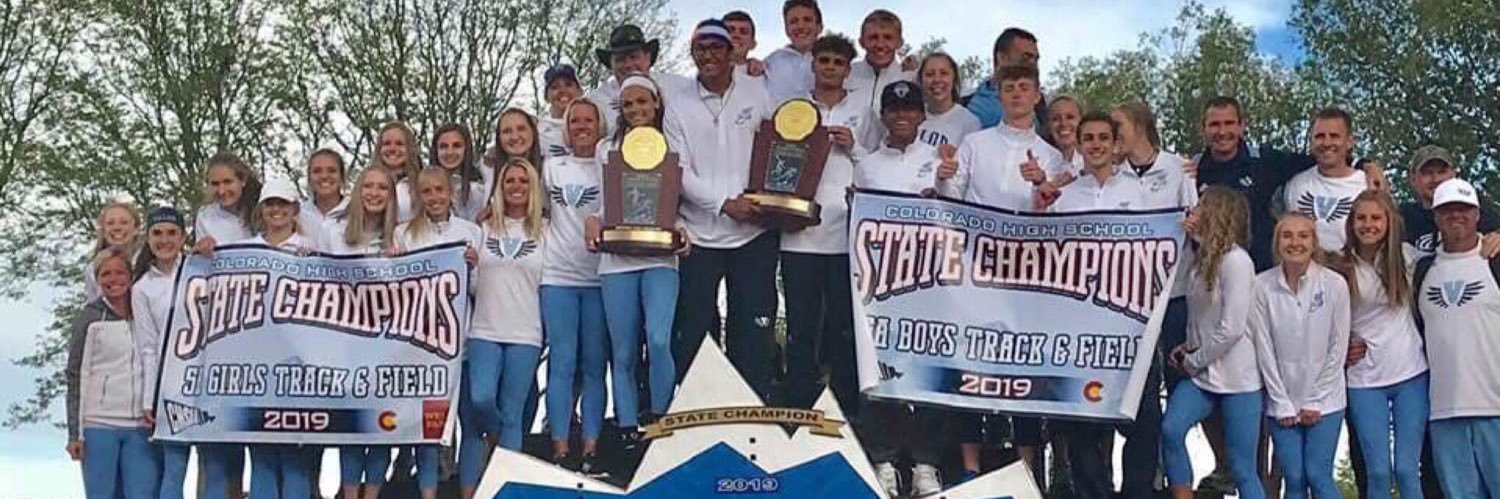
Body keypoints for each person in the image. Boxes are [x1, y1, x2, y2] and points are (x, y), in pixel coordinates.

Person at [662, 18, 779, 399]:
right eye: (701, 49)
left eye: (716, 47)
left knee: (754, 324)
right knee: (695, 325)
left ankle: (753, 404)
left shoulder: (758, 90)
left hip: (754, 231)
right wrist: (723, 203)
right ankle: (700, 404)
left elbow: (779, 145)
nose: (708, 55)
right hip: (701, 232)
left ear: (733, 52)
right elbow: (676, 168)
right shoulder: (678, 103)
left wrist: (764, 200)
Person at [584, 73, 692, 457]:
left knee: (660, 339)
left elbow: (681, 196)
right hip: (617, 259)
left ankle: (661, 418)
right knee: (624, 350)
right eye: (627, 104)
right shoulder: (604, 149)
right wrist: (593, 220)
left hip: (660, 256)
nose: (635, 110)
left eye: (642, 102)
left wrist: (681, 228)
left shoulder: (673, 142)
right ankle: (628, 425)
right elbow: (604, 200)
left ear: (656, 103)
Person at [855, 79, 947, 496]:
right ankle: (885, 460)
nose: (902, 117)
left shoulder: (940, 158)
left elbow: (958, 209)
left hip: (931, 278)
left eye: (909, 110)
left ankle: (926, 463)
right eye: (894, 111)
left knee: (929, 367)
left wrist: (942, 188)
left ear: (921, 116)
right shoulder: (869, 163)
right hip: (882, 282)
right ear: (884, 117)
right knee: (880, 369)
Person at [782, 33, 877, 415]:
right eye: (824, 61)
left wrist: (854, 145)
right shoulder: (793, 108)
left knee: (843, 328)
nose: (831, 68)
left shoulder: (864, 113)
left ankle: (843, 410)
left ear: (847, 68)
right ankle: (799, 408)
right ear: (813, 64)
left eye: (839, 63)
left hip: (845, 235)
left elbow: (876, 167)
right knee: (800, 327)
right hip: (799, 234)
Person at [1161, 186, 1265, 499]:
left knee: (1241, 466)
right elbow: (1200, 319)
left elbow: (1232, 328)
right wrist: (1188, 347)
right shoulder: (1199, 259)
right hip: (1204, 375)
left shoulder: (1236, 261)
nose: (1194, 209)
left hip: (1238, 378)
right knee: (1171, 429)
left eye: (1202, 205)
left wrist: (1194, 360)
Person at [1330, 190, 1429, 499]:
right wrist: (1343, 344)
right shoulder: (1339, 266)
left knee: (1406, 469)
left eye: (1376, 218)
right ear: (1351, 223)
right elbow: (1322, 317)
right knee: (1377, 471)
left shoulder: (1408, 257)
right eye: (1361, 218)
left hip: (1411, 371)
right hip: (1364, 379)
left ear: (1389, 221)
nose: (1368, 225)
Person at [392, 169, 482, 499]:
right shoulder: (403, 234)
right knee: (426, 428)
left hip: (464, 345)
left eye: (439, 190)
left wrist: (473, 268)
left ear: (450, 193)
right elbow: (393, 294)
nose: (434, 197)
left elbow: (479, 290)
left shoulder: (471, 232)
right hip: (422, 351)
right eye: (426, 191)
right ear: (419, 197)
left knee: (470, 423)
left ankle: (468, 492)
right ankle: (428, 493)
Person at [461, 158, 546, 499]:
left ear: (532, 187)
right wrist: (468, 267)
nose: (515, 187)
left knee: (513, 414)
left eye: (523, 181)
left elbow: (550, 283)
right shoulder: (482, 229)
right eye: (509, 181)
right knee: (481, 399)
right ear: (500, 186)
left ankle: (508, 489)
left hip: (526, 334)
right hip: (483, 331)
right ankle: (492, 451)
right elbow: (471, 284)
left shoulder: (545, 231)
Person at [1251, 213, 1350, 499]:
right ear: (1277, 242)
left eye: (1303, 236)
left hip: (1326, 400)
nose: (1295, 242)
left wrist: (1316, 400)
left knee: (1318, 476)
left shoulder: (1334, 284)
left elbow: (1338, 346)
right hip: (1281, 401)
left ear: (1314, 242)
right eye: (1287, 235)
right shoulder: (1261, 285)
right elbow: (1264, 346)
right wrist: (1280, 401)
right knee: (1294, 479)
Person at [1412, 178, 1500, 497]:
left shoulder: (1495, 259)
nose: (1456, 216)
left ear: (1478, 214)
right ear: (1436, 217)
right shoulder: (1422, 270)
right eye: (1447, 210)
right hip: (1444, 411)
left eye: (1464, 209)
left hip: (1495, 407)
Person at [318, 165, 399, 499]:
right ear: (357, 190)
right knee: (351, 426)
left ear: (392, 196)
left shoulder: (402, 235)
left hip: (390, 342)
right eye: (368, 186)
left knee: (383, 425)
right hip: (346, 342)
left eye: (382, 187)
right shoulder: (332, 230)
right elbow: (318, 278)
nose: (374, 193)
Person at [541, 98, 608, 474]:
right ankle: (561, 447)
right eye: (575, 121)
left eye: (589, 120)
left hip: (600, 276)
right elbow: (534, 210)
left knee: (595, 365)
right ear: (565, 127)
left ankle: (591, 448)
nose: (582, 126)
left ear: (600, 125)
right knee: (562, 363)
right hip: (558, 276)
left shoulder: (610, 163)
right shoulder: (552, 167)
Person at [66, 245, 161, 499]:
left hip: (141, 427)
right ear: (97, 279)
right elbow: (75, 375)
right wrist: (75, 433)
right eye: (106, 274)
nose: (113, 279)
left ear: (130, 276)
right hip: (99, 425)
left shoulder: (145, 313)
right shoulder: (90, 318)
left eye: (119, 273)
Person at [244, 179, 318, 499]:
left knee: (295, 458)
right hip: (256, 364)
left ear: (294, 209)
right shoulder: (246, 249)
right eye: (270, 204)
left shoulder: (310, 248)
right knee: (260, 454)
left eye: (282, 204)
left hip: (297, 366)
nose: (276, 210)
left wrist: (313, 263)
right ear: (262, 209)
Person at [191, 152, 257, 498]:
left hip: (264, 329)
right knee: (218, 430)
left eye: (228, 182)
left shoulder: (261, 212)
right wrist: (201, 249)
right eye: (215, 184)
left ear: (242, 181)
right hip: (222, 329)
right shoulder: (205, 217)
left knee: (257, 430)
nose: (221, 190)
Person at [937, 64, 1066, 211]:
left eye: (1024, 88)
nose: (1016, 94)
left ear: (1037, 97)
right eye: (1009, 89)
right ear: (999, 97)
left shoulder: (1052, 156)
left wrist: (1040, 184)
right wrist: (943, 179)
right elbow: (951, 201)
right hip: (975, 232)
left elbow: (1052, 215)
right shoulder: (973, 143)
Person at [130, 206, 190, 499]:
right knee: (174, 469)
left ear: (182, 237)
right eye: (157, 233)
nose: (164, 240)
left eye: (171, 233)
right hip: (170, 387)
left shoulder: (200, 268)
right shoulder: (142, 288)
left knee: (217, 466)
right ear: (148, 238)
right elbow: (148, 346)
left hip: (210, 382)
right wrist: (148, 398)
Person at [1283, 107, 1368, 252]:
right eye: (1320, 136)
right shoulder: (1296, 185)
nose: (1327, 143)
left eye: (1334, 136)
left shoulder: (1367, 185)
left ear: (1349, 142)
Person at [1399, 145, 1500, 257]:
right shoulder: (1403, 216)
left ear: (1453, 174)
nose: (1435, 179)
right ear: (1413, 179)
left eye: (1442, 172)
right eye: (1427, 173)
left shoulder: (1472, 205)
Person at [588, 24, 688, 131]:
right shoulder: (596, 102)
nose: (628, 65)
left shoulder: (679, 87)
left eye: (633, 57)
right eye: (620, 60)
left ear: (647, 58)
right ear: (611, 65)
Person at [963, 28, 1046, 130]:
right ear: (1002, 58)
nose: (1033, 64)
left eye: (1035, 59)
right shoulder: (967, 105)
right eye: (1026, 57)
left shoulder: (1041, 107)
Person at [846, 10, 914, 113]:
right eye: (873, 37)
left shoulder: (911, 78)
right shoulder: (846, 74)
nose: (880, 45)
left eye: (888, 38)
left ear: (900, 42)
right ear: (861, 42)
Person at [915, 52, 981, 150]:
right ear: (921, 80)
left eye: (944, 73)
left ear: (954, 79)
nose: (937, 79)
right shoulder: (911, 116)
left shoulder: (969, 123)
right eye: (930, 74)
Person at [762, 0, 823, 103]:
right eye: (794, 21)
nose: (800, 26)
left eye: (807, 20)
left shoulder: (835, 62)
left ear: (819, 27)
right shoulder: (772, 62)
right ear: (786, 29)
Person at [431, 123, 489, 221]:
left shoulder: (480, 191)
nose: (450, 152)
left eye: (457, 146)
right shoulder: (423, 189)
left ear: (466, 149)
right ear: (435, 151)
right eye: (443, 146)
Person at [86, 202, 142, 302]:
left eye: (124, 222)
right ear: (103, 231)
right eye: (110, 223)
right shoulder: (92, 269)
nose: (117, 228)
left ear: (136, 229)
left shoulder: (149, 264)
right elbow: (94, 307)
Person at [485, 108, 546, 196]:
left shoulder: (550, 170)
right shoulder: (487, 172)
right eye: (507, 131)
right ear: (499, 138)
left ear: (533, 132)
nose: (515, 137)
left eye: (521, 129)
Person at [372, 121, 423, 223]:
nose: (392, 148)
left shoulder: (422, 182)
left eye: (399, 144)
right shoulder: (367, 184)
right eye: (387, 144)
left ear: (409, 149)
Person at [299, 149, 349, 233]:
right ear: (309, 178)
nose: (324, 176)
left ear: (342, 176)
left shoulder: (356, 212)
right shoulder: (298, 214)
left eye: (332, 171)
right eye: (317, 171)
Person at [541, 64, 582, 159]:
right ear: (546, 96)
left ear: (580, 91)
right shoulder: (538, 131)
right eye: (555, 87)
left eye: (568, 84)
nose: (562, 90)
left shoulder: (593, 127)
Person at [1045, 95, 1084, 173]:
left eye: (1070, 117)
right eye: (1056, 119)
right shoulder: (1042, 163)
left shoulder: (1094, 163)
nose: (1063, 123)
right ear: (1048, 125)